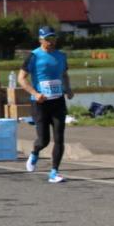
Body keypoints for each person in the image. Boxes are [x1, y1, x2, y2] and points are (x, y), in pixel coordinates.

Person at [19, 26, 74, 184]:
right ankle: (35, 152)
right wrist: (35, 94)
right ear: (40, 40)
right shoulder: (34, 56)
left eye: (53, 39)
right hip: (40, 103)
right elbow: (21, 78)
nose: (50, 42)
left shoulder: (61, 56)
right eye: (47, 39)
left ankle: (54, 172)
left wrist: (68, 89)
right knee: (44, 140)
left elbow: (64, 74)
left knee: (59, 138)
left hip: (58, 101)